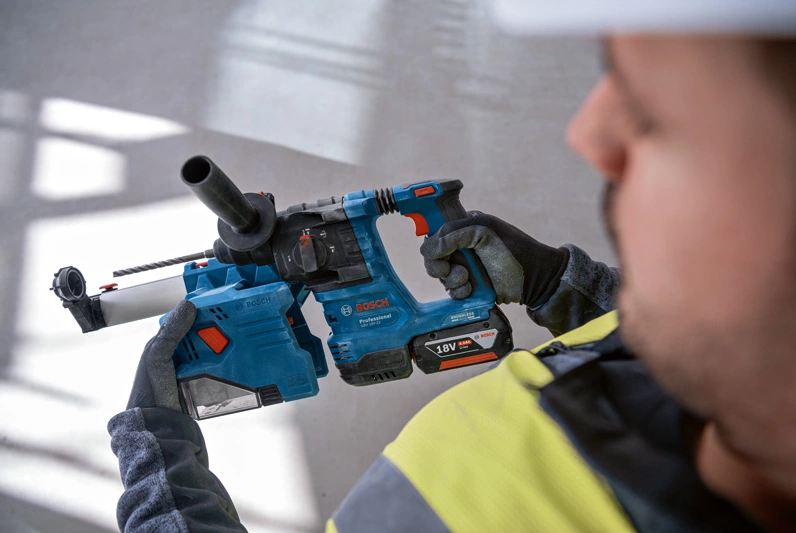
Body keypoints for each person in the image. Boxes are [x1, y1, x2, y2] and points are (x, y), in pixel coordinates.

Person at [107, 2, 796, 532]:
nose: (591, 133)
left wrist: (158, 465)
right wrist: (566, 289)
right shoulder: (744, 361)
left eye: (659, 112)